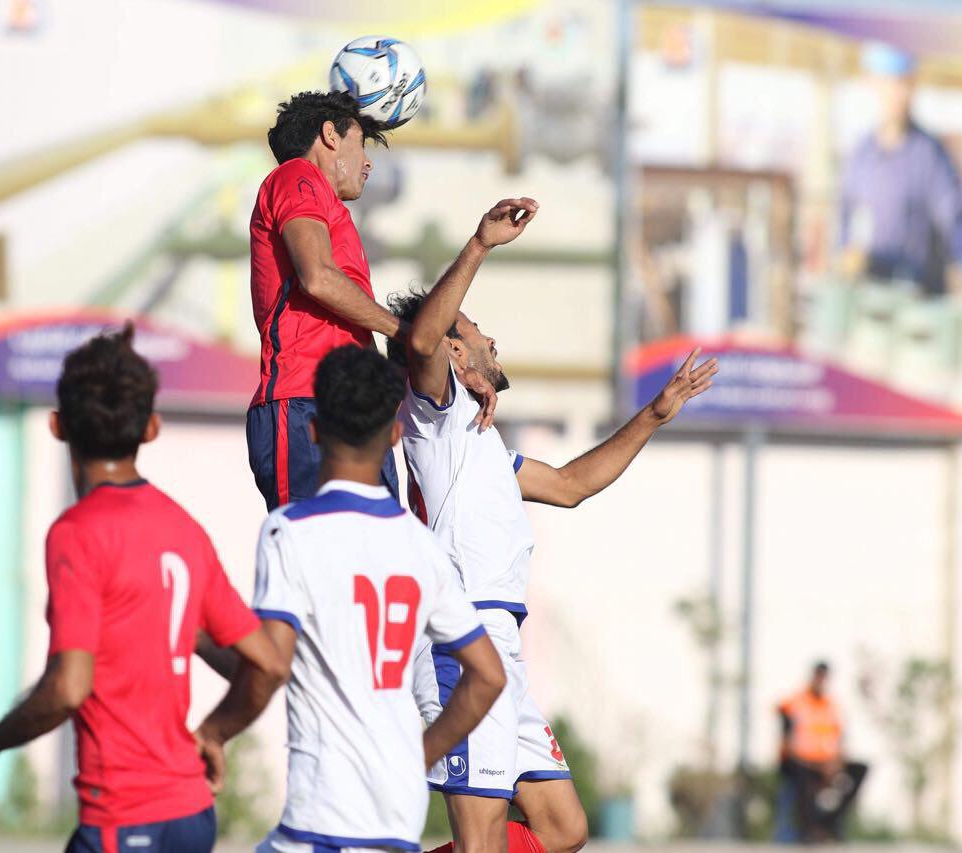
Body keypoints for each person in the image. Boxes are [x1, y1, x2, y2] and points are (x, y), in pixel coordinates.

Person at [385, 198, 717, 853]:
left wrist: (654, 413)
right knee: (480, 842)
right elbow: (419, 338)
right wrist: (479, 243)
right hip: (460, 643)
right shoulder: (435, 412)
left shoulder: (483, 441)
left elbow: (570, 485)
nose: (491, 339)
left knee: (563, 828)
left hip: (503, 652)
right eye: (477, 330)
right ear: (453, 348)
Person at [0, 325, 287, 853]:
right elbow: (265, 664)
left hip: (126, 819)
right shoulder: (183, 528)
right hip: (193, 817)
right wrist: (216, 732)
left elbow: (68, 685)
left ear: (58, 426)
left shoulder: (77, 532)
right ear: (152, 428)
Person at [195, 345, 507, 852]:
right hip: (398, 816)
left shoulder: (291, 531)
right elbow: (489, 675)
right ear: (393, 435)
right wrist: (418, 756)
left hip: (325, 818)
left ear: (313, 431)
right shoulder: (419, 544)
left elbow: (269, 666)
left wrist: (213, 728)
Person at [245, 91, 495, 511]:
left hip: (356, 409)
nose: (368, 161)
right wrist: (408, 330)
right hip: (305, 402)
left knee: (368, 557)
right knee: (316, 562)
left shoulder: (329, 208)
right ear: (329, 135)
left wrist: (450, 372)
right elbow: (318, 279)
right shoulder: (296, 176)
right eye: (360, 143)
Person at [838, 42, 962, 297]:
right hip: (869, 301)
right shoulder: (861, 157)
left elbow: (954, 220)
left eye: (906, 83)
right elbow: (845, 226)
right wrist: (847, 255)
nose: (900, 93)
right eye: (892, 83)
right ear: (872, 83)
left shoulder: (930, 156)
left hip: (918, 305)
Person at [776, 662, 868, 843]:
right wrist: (814, 764)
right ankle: (807, 831)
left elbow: (840, 740)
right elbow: (786, 743)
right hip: (800, 762)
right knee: (801, 778)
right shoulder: (794, 702)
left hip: (826, 762)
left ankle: (828, 822)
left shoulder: (832, 706)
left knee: (859, 770)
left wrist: (836, 763)